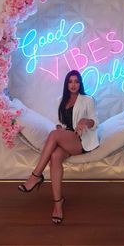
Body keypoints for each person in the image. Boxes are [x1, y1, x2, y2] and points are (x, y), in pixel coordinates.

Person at [18, 70, 99, 224]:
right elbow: (60, 123)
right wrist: (59, 127)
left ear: (80, 84)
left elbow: (95, 121)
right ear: (66, 84)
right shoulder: (60, 100)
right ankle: (57, 203)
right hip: (66, 138)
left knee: (54, 134)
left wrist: (85, 122)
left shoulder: (87, 99)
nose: (73, 84)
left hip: (81, 140)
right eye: (70, 81)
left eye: (76, 81)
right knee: (55, 157)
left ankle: (35, 175)